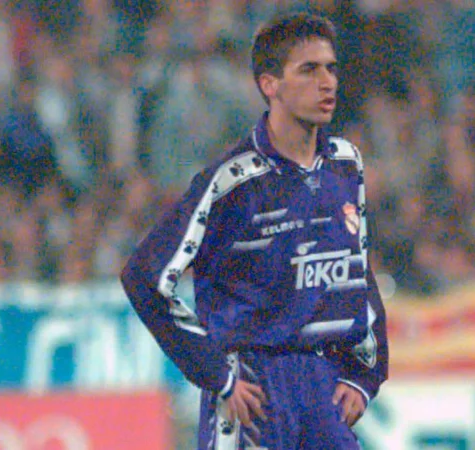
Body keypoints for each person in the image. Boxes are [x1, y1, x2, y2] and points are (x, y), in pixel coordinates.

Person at [120, 13, 388, 450]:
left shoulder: (346, 164)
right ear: (270, 85)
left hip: (325, 388)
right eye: (309, 70)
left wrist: (364, 375)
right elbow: (144, 278)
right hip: (256, 390)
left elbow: (357, 270)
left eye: (331, 68)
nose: (327, 83)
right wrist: (217, 374)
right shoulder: (231, 182)